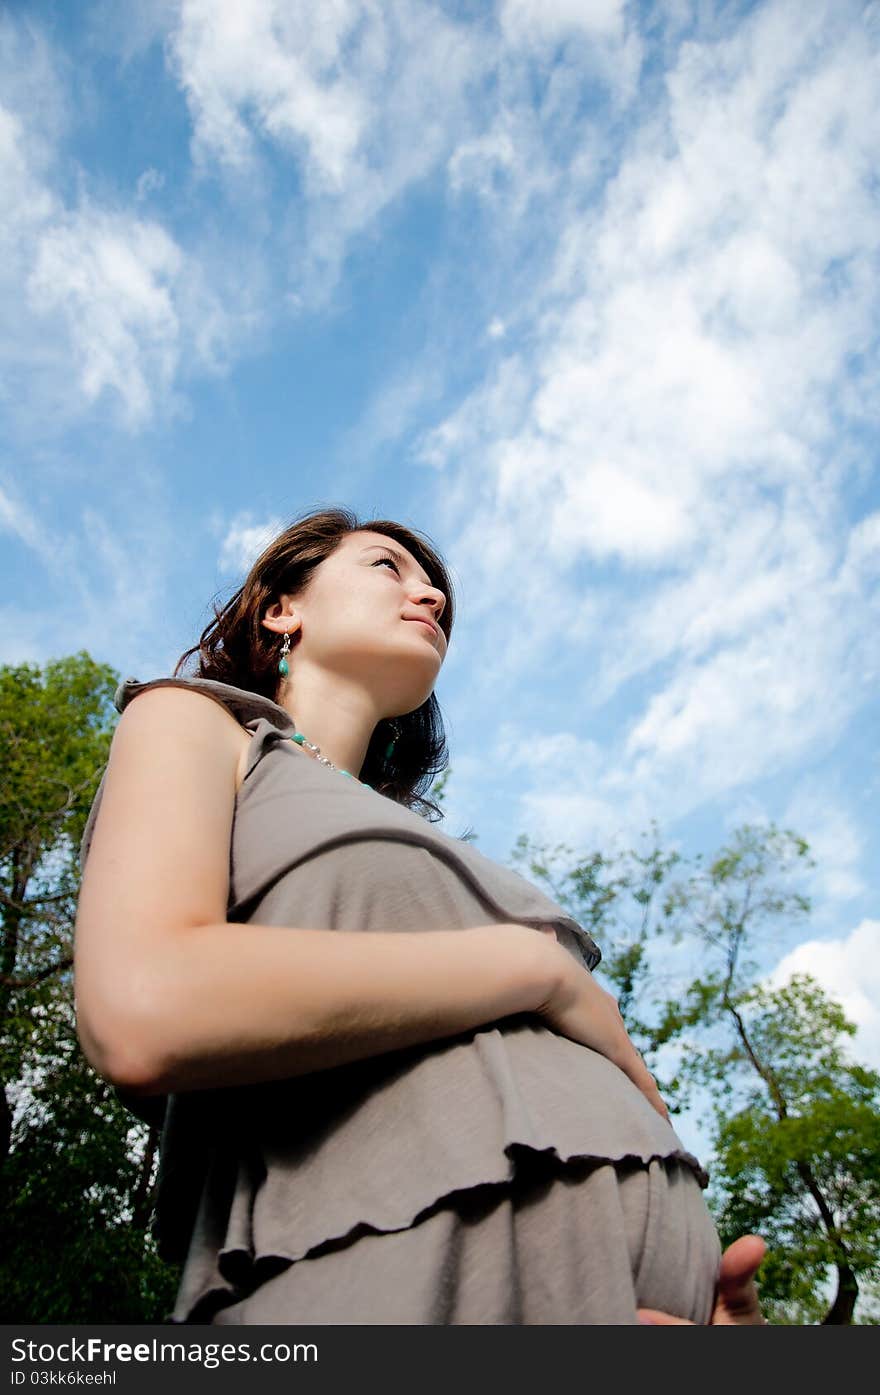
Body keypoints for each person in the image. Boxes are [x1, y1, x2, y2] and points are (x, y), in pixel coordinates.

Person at [74, 506, 728, 1326]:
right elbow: (144, 1005)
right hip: (385, 1276)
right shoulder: (198, 723)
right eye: (388, 566)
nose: (430, 597)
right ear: (284, 608)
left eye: (438, 594)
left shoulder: (423, 842)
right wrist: (536, 970)